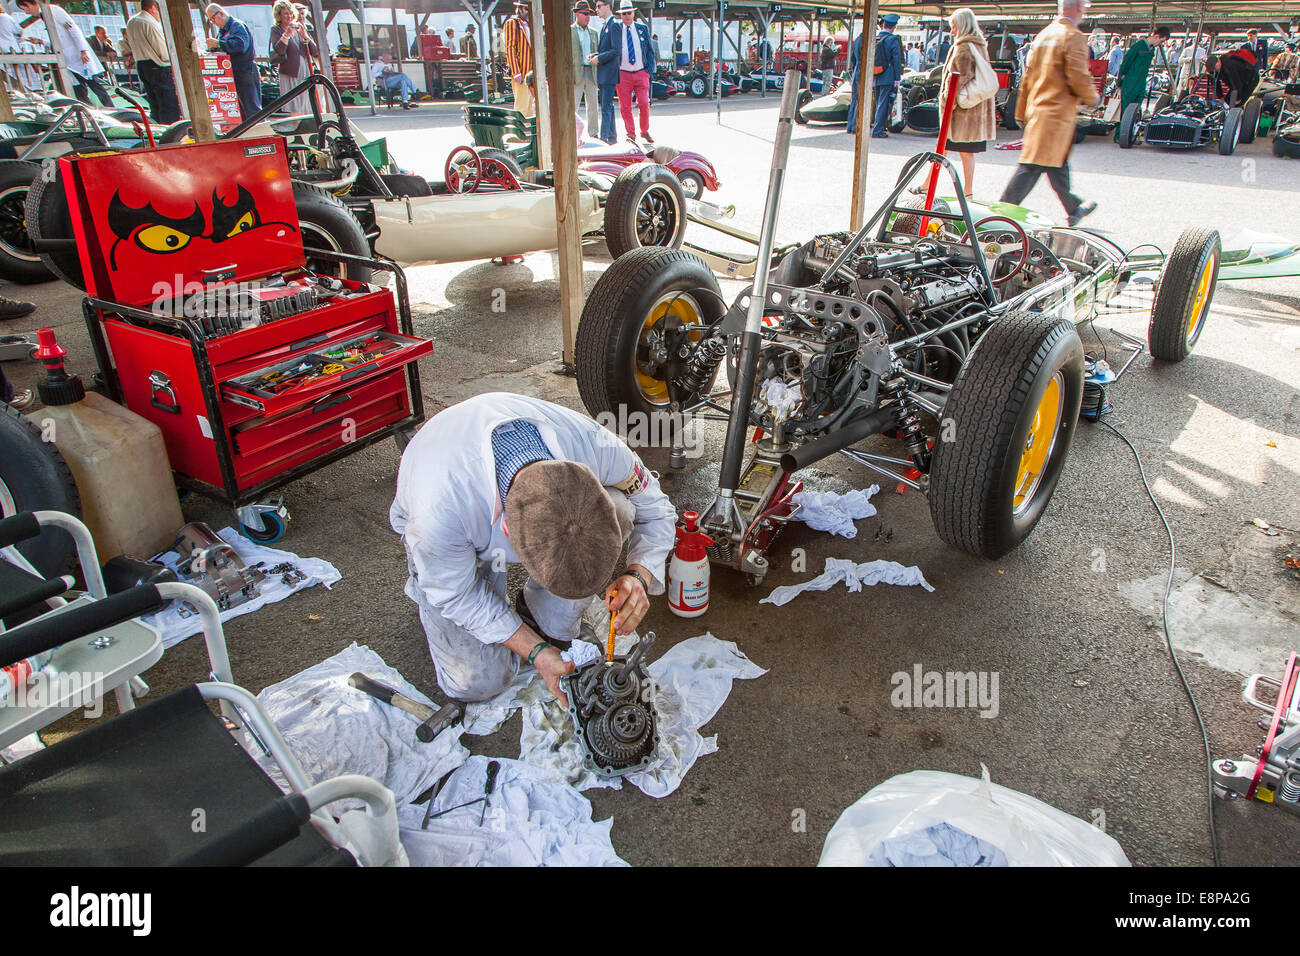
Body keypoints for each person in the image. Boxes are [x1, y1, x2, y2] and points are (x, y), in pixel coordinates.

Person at [390, 393, 675, 705]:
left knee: (622, 507)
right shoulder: (438, 515)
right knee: (478, 681)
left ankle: (542, 615)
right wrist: (537, 652)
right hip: (448, 529)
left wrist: (639, 575)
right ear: (507, 531)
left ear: (590, 478)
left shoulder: (595, 446)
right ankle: (429, 581)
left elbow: (657, 509)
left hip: (487, 469)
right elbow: (457, 595)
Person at [999, 0, 1099, 227]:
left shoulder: (1044, 35)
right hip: (1057, 114)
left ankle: (1073, 207)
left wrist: (1022, 111)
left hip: (1039, 110)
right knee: (1033, 165)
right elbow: (1078, 75)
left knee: (1055, 163)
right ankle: (1004, 209)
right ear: (1078, 8)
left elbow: (1027, 78)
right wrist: (1092, 98)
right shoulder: (1072, 37)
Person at [940, 9, 995, 199]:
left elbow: (957, 80)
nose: (952, 31)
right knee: (960, 150)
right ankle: (966, 191)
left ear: (961, 25)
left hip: (960, 111)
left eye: (954, 26)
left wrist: (948, 103)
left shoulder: (963, 47)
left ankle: (965, 191)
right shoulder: (980, 45)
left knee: (948, 148)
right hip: (974, 109)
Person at [16, 0, 113, 107]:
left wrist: (83, 50)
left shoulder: (54, 10)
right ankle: (90, 114)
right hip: (69, 61)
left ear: (31, 3)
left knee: (96, 87)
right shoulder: (45, 14)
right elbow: (60, 40)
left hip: (77, 57)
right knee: (80, 91)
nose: (26, 12)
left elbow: (73, 29)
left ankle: (116, 112)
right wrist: (41, 42)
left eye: (26, 8)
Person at [598, 0, 655, 143]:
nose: (627, 16)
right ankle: (631, 134)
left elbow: (650, 51)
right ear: (620, 15)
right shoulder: (616, 29)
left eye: (629, 13)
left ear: (633, 13)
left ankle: (644, 130)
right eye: (624, 14)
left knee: (643, 103)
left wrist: (648, 72)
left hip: (641, 72)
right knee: (625, 106)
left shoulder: (642, 28)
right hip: (623, 73)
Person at [126, 0, 179, 123]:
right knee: (167, 104)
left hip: (142, 64)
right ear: (153, 8)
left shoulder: (132, 21)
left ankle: (158, 128)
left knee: (154, 103)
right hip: (157, 65)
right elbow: (163, 51)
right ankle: (170, 132)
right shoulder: (149, 22)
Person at [204, 4, 261, 120]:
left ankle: (261, 135)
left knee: (252, 109)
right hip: (234, 73)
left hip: (245, 72)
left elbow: (240, 45)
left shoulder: (236, 26)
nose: (213, 22)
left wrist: (219, 43)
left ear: (221, 13)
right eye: (210, 20)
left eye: (212, 18)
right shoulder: (223, 31)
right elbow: (221, 46)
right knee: (241, 112)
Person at [1114, 26, 1169, 140]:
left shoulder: (1151, 49)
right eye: (1161, 41)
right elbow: (1125, 63)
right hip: (1130, 81)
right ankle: (1120, 135)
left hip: (1141, 82)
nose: (1161, 44)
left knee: (1137, 109)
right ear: (1156, 36)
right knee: (1126, 109)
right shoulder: (1138, 46)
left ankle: (1131, 134)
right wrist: (1120, 82)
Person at [269, 0, 317, 115]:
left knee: (307, 105)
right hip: (290, 73)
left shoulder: (299, 28)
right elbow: (279, 49)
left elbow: (314, 51)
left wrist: (305, 37)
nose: (289, 16)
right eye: (285, 13)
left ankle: (307, 128)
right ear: (279, 15)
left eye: (290, 13)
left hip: (305, 71)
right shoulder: (276, 29)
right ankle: (297, 130)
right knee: (295, 106)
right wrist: (286, 35)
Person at [869, 12, 904, 138]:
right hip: (888, 76)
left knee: (878, 102)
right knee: (883, 103)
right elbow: (896, 60)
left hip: (876, 75)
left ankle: (879, 128)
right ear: (894, 26)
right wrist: (897, 78)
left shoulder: (876, 38)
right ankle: (877, 131)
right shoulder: (892, 40)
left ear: (883, 24)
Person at [572, 1, 600, 135]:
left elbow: (599, 52)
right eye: (584, 14)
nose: (587, 16)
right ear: (577, 14)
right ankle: (572, 133)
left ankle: (593, 133)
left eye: (589, 14)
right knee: (573, 105)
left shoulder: (594, 33)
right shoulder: (569, 31)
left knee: (593, 105)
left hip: (591, 71)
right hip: (576, 73)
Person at [503, 0, 534, 117]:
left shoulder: (531, 24)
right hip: (521, 71)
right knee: (521, 107)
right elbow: (510, 48)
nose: (529, 12)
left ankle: (529, 133)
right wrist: (516, 72)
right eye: (527, 9)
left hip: (532, 73)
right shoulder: (512, 23)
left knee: (532, 107)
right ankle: (518, 133)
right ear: (520, 8)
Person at [594, 0, 616, 141]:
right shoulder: (606, 25)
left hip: (609, 73)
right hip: (605, 72)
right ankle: (612, 136)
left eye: (598, 6)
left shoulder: (613, 25)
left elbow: (616, 50)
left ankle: (604, 138)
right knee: (608, 106)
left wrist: (600, 58)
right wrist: (597, 55)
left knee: (606, 108)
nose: (596, 9)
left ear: (607, 6)